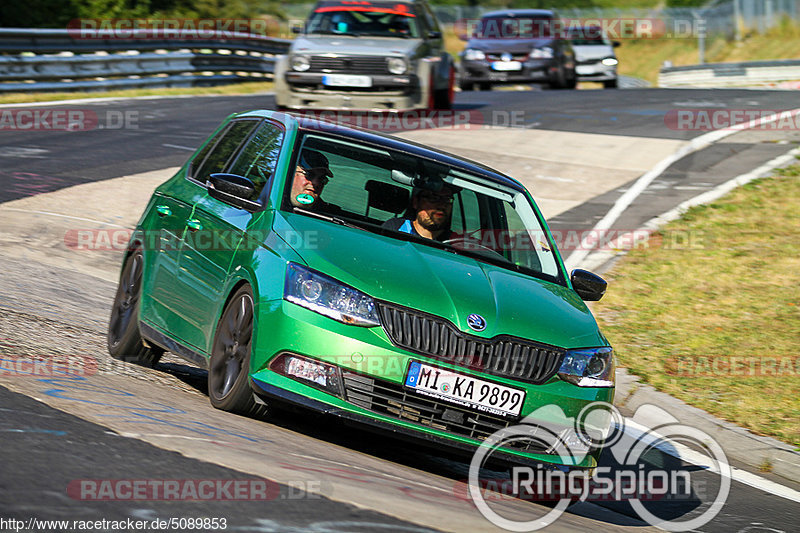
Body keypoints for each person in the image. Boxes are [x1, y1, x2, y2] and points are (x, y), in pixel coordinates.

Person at [382, 183, 459, 241]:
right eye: (433, 198)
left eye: (447, 199)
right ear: (415, 202)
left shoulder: (456, 243)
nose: (442, 205)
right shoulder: (395, 229)